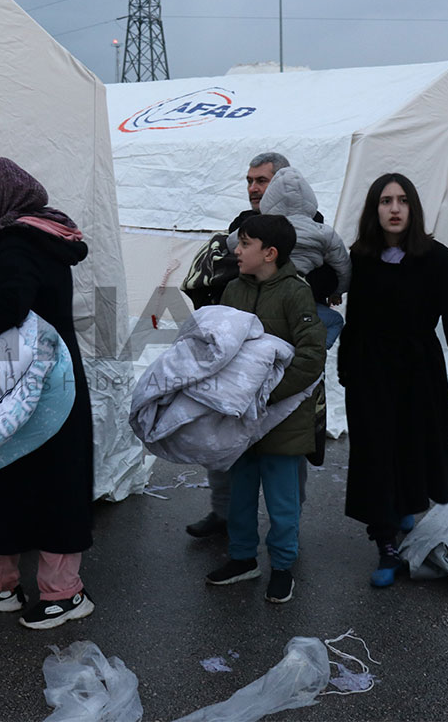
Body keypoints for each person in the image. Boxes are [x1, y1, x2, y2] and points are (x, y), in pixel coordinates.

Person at [0, 156, 96, 630]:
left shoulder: (15, 241)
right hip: (51, 376)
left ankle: (62, 593)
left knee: (17, 474)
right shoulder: (47, 236)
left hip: (29, 380)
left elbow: (11, 305)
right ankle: (0, 583)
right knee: (21, 476)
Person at [337, 173, 448, 588]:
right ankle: (385, 541)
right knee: (375, 454)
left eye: (402, 200)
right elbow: (356, 319)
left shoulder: (437, 258)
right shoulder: (361, 257)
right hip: (370, 373)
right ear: (374, 209)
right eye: (385, 201)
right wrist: (346, 366)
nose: (395, 208)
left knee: (414, 447)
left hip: (419, 372)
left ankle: (404, 503)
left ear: (414, 208)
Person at [182, 152, 334, 536]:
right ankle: (224, 515)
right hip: (241, 357)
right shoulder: (242, 226)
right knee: (224, 438)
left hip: (292, 359)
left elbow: (332, 280)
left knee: (290, 445)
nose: (253, 188)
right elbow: (219, 273)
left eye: (262, 181)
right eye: (249, 180)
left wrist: (294, 287)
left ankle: (288, 527)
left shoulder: (312, 227)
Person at [205, 214, 326, 604]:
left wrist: (268, 395)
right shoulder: (232, 291)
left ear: (269, 253)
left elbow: (311, 355)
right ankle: (242, 559)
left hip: (282, 423)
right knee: (239, 493)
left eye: (244, 244)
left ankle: (283, 566)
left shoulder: (295, 292)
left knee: (282, 501)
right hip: (241, 421)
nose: (235, 251)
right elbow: (218, 347)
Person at [259, 166, 351, 348]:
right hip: (306, 303)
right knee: (335, 321)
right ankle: (315, 350)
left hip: (267, 303)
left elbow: (234, 242)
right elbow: (343, 266)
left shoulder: (262, 228)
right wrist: (338, 292)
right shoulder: (323, 231)